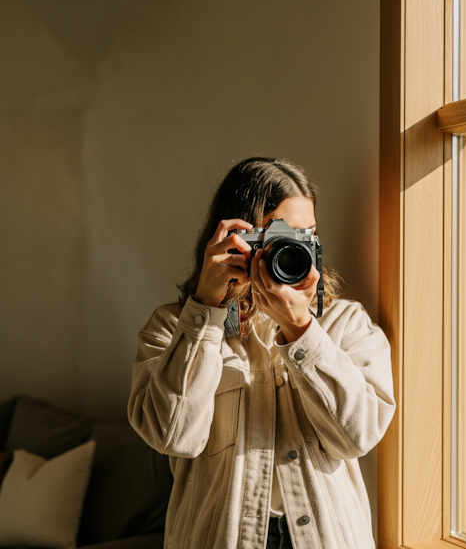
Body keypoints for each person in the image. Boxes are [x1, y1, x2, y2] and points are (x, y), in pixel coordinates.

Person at [128, 157, 396, 549]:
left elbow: (357, 437)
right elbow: (173, 436)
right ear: (238, 239)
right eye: (280, 237)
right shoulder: (174, 329)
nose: (296, 249)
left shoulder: (345, 324)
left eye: (307, 235)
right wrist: (205, 310)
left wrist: (302, 330)